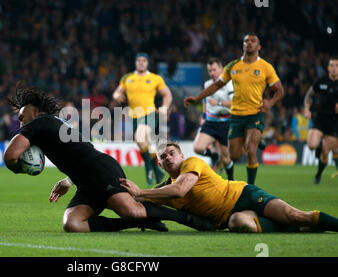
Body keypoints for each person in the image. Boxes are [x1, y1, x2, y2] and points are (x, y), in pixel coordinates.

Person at [3, 85, 214, 233]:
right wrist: (69, 179)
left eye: (22, 116)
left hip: (99, 170)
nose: (21, 121)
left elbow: (10, 156)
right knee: (73, 223)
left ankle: (187, 218)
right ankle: (140, 223)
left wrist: (21, 167)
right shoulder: (51, 124)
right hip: (85, 179)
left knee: (132, 210)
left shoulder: (39, 123)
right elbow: (77, 150)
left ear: (35, 111)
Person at [120, 142, 338, 233]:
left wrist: (140, 191)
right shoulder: (164, 190)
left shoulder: (192, 163)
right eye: (163, 157)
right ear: (159, 163)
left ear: (181, 156)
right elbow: (140, 203)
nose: (168, 158)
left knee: (295, 215)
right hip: (229, 217)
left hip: (243, 195)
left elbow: (180, 190)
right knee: (241, 224)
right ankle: (295, 228)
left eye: (171, 153)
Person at [184, 33, 284, 185]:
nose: (249, 43)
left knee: (251, 150)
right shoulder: (233, 66)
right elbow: (217, 85)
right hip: (236, 117)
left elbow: (279, 90)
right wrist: (197, 98)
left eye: (253, 41)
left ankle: (251, 187)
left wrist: (270, 103)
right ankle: (252, 138)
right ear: (242, 45)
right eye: (246, 41)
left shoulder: (265, 67)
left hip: (255, 114)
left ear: (259, 46)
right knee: (234, 156)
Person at [112, 52, 173, 186]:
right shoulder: (128, 78)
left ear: (147, 63)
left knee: (140, 137)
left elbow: (167, 95)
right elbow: (117, 92)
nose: (141, 62)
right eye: (139, 60)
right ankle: (157, 170)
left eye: (143, 60)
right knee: (142, 143)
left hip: (150, 113)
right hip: (134, 116)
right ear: (135, 62)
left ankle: (148, 168)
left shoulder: (155, 78)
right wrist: (116, 96)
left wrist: (164, 107)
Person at [193, 57, 234, 180]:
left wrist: (219, 103)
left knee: (226, 159)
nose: (212, 73)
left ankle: (231, 180)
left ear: (221, 69)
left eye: (214, 70)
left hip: (225, 122)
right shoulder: (207, 84)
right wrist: (204, 116)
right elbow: (205, 101)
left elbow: (234, 103)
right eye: (210, 71)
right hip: (211, 121)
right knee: (198, 148)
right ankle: (214, 156)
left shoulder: (229, 83)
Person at [304, 57, 338, 184]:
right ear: (328, 68)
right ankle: (318, 148)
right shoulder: (321, 81)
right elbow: (309, 96)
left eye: (336, 65)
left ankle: (318, 174)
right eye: (332, 65)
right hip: (319, 117)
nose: (334, 68)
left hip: (334, 121)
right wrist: (307, 109)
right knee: (312, 145)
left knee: (325, 153)